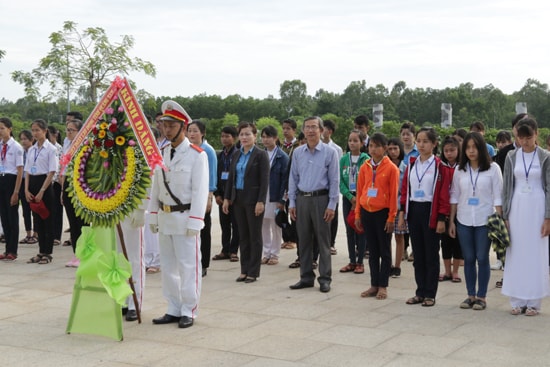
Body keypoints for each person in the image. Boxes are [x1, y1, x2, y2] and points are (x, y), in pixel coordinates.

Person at [148, 100, 209, 329]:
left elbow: (200, 191)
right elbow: (156, 187)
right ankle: (173, 307)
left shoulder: (196, 155)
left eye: (171, 125)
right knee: (168, 265)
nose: (166, 129)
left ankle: (189, 309)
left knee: (188, 266)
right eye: (164, 125)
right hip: (165, 218)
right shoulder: (161, 153)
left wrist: (196, 221)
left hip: (184, 218)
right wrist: (153, 216)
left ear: (183, 127)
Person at [501, 118, 550, 316]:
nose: (525, 141)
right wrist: (505, 214)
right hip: (517, 207)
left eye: (529, 137)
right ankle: (517, 299)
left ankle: (534, 302)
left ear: (536, 134)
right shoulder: (512, 156)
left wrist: (548, 217)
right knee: (517, 252)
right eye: (521, 138)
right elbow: (507, 187)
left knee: (536, 252)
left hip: (537, 206)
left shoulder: (545, 157)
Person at [449, 132, 503, 311]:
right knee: (469, 258)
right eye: (468, 148)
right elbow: (455, 196)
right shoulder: (459, 170)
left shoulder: (493, 168)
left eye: (475, 147)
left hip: (484, 219)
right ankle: (470, 295)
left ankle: (482, 296)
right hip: (464, 219)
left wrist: (500, 220)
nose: (471, 151)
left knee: (482, 258)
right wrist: (451, 221)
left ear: (481, 148)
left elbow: (498, 196)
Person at [398, 127, 451, 307]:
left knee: (431, 254)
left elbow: (444, 194)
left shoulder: (439, 166)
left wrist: (442, 218)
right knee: (418, 254)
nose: (421, 145)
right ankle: (420, 291)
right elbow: (405, 189)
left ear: (434, 144)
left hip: (431, 211)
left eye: (425, 141)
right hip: (414, 210)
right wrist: (401, 212)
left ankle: (430, 293)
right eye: (418, 141)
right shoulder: (411, 164)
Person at [288, 116, 339, 293]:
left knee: (323, 240)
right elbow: (293, 179)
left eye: (314, 127)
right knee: (303, 240)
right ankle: (306, 277)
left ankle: (325, 279)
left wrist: (332, 204)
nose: (310, 130)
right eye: (307, 127)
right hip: (302, 200)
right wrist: (292, 202)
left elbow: (334, 180)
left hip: (321, 199)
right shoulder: (297, 153)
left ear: (321, 130)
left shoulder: (330, 152)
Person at [223, 122, 270, 283]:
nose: (244, 137)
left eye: (247, 134)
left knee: (254, 236)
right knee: (243, 236)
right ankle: (244, 270)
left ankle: (253, 271)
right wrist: (227, 198)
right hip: (238, 199)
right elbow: (231, 178)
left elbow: (265, 181)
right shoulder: (237, 154)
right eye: (242, 134)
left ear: (254, 136)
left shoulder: (260, 155)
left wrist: (261, 201)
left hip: (254, 200)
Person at [355, 132, 399, 300]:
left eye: (377, 146)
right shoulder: (365, 166)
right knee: (372, 251)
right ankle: (374, 284)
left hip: (383, 213)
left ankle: (383, 285)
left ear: (385, 148)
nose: (373, 149)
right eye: (371, 146)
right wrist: (358, 213)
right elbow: (360, 191)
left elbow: (394, 195)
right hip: (367, 211)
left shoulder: (391, 168)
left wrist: (391, 217)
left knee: (384, 251)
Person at [492, 113, 527, 279]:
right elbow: (500, 182)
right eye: (520, 125)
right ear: (514, 129)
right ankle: (509, 276)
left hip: (531, 204)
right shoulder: (505, 153)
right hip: (510, 204)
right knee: (509, 241)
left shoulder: (540, 154)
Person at [24, 119, 58, 265]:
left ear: (44, 131)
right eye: (33, 130)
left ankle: (47, 253)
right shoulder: (31, 149)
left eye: (38, 130)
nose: (35, 133)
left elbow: (52, 172)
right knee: (37, 220)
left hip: (45, 185)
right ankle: (40, 250)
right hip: (32, 184)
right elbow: (27, 171)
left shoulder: (51, 149)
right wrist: (26, 190)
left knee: (47, 220)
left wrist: (42, 191)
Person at [187, 120, 217, 277]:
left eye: (195, 131)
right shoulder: (187, 150)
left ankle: (204, 263)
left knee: (204, 229)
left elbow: (211, 175)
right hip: (188, 196)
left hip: (203, 195)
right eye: (189, 131)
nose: (191, 134)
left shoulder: (208, 150)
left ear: (203, 133)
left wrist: (209, 197)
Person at [339, 129, 369, 274]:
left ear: (362, 143)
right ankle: (351, 260)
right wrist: (350, 197)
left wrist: (359, 199)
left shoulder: (367, 159)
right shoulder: (344, 159)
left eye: (355, 141)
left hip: (362, 200)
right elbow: (340, 181)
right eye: (350, 140)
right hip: (348, 199)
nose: (352, 143)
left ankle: (360, 262)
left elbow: (369, 181)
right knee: (349, 230)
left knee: (360, 230)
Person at [260, 125, 289, 265]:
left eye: (268, 137)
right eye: (263, 137)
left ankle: (275, 253)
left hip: (275, 194)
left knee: (275, 224)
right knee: (263, 223)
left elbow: (286, 180)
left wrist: (282, 200)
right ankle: (266, 252)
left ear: (276, 138)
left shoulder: (282, 157)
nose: (265, 140)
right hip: (262, 194)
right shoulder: (261, 154)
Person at [61, 119, 87, 267]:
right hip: (68, 184)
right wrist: (63, 189)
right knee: (72, 221)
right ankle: (76, 253)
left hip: (81, 185)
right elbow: (64, 168)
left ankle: (84, 254)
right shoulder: (67, 145)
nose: (68, 132)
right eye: (67, 130)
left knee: (81, 222)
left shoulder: (85, 146)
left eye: (71, 130)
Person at [213, 126, 240, 262]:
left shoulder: (239, 154)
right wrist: (217, 194)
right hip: (222, 195)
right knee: (224, 225)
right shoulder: (219, 155)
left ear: (234, 138)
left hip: (234, 197)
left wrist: (231, 197)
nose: (224, 139)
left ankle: (234, 250)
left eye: (227, 136)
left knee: (236, 224)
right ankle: (225, 249)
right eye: (222, 136)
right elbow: (216, 175)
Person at [438, 136, 463, 283]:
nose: (449, 153)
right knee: (445, 241)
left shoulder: (463, 166)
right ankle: (446, 271)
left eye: (452, 150)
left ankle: (455, 271)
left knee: (457, 242)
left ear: (458, 150)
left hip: (460, 210)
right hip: (444, 209)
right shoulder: (440, 166)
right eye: (446, 150)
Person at [0, 117, 24, 261]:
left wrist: (16, 191)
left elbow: (20, 170)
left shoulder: (16, 147)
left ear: (10, 129)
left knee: (12, 217)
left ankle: (13, 250)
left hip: (11, 180)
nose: (0, 131)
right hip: (1, 179)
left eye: (2, 128)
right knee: (4, 217)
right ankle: (6, 248)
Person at [321, 119, 343, 256]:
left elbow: (337, 171)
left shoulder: (337, 149)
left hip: (333, 186)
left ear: (330, 131)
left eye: (324, 129)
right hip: (320, 188)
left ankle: (331, 243)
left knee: (333, 217)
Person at [400, 122, 419, 262]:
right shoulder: (397, 151)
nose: (405, 137)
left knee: (414, 220)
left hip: (416, 191)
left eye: (408, 134)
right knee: (402, 220)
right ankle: (403, 248)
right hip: (401, 190)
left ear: (414, 136)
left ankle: (414, 249)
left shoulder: (419, 152)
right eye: (403, 134)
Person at [387, 137, 406, 277]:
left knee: (399, 237)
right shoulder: (385, 166)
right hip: (386, 207)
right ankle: (388, 264)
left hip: (399, 207)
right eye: (390, 149)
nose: (393, 151)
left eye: (395, 148)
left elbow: (405, 190)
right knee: (386, 236)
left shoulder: (405, 168)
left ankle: (398, 266)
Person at [281, 118, 299, 251]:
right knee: (281, 213)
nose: (285, 131)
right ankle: (286, 238)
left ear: (294, 130)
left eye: (288, 128)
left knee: (293, 213)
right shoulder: (280, 146)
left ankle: (294, 239)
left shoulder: (298, 146)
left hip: (293, 184)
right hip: (282, 184)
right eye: (284, 128)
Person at [18, 130, 37, 245]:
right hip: (22, 181)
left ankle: (36, 233)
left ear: (31, 140)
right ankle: (28, 233)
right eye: (22, 139)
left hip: (33, 180)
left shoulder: (34, 151)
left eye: (25, 139)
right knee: (25, 209)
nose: (23, 141)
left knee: (35, 208)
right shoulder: (20, 151)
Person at [47, 125, 64, 246]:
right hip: (46, 181)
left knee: (57, 210)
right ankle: (48, 234)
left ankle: (57, 236)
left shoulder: (60, 148)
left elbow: (61, 166)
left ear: (55, 134)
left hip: (57, 182)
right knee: (48, 210)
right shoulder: (44, 148)